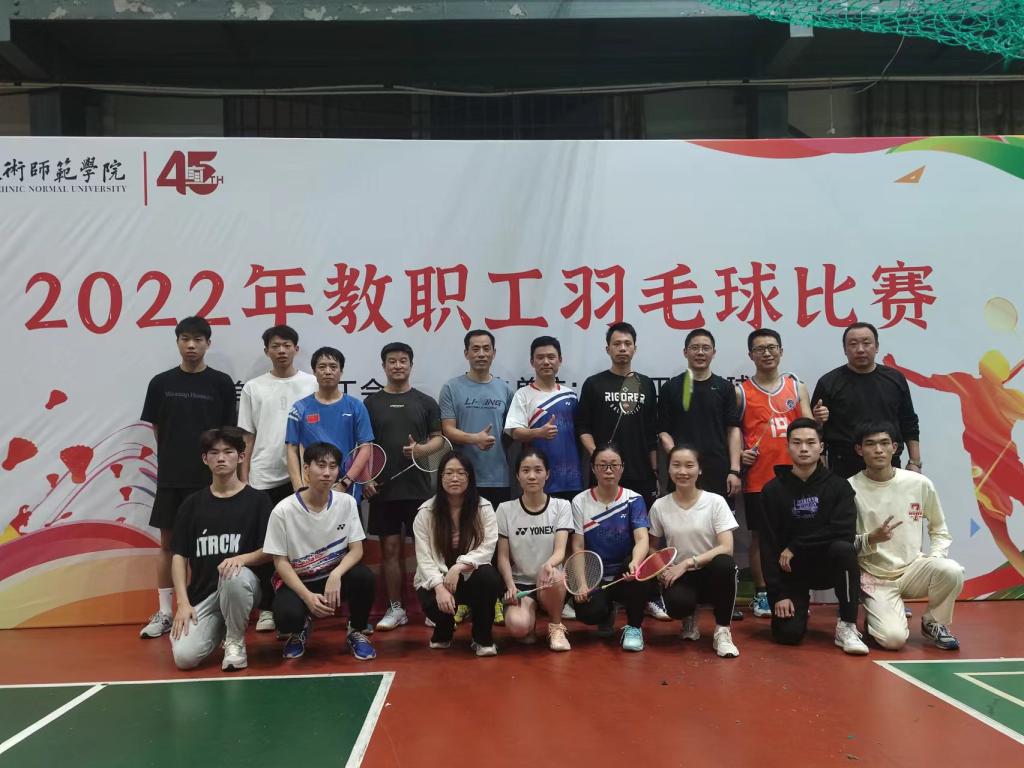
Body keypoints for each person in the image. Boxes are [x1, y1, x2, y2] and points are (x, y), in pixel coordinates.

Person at [139, 316, 237, 639]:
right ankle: (166, 612)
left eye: (198, 339)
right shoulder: (160, 383)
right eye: (185, 339)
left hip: (211, 481)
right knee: (169, 546)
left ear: (208, 343)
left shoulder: (221, 383)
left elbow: (227, 433)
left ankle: (213, 611)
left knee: (211, 546)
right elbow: (158, 429)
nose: (191, 345)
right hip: (171, 478)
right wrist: (174, 457)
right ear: (178, 342)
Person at [850, 422, 963, 650]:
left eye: (884, 443)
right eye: (870, 444)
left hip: (913, 569)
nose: (878, 450)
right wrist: (871, 539)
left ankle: (933, 622)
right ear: (859, 450)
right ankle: (876, 620)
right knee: (893, 640)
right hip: (875, 576)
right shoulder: (849, 488)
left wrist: (936, 558)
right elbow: (843, 544)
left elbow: (939, 529)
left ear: (894, 448)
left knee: (951, 570)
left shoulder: (919, 483)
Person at [759, 419, 868, 654]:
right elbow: (767, 545)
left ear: (821, 447)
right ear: (788, 446)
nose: (804, 448)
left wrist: (796, 546)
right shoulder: (772, 491)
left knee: (844, 549)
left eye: (810, 443)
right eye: (797, 443)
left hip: (828, 566)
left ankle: (847, 625)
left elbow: (844, 532)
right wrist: (778, 595)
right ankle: (797, 608)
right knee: (787, 635)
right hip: (791, 573)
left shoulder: (839, 487)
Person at [262, 442, 377, 661]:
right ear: (306, 469)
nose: (327, 472)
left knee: (364, 578)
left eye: (333, 466)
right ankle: (300, 629)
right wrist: (307, 597)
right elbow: (280, 562)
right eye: (321, 465)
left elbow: (356, 550)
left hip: (334, 579)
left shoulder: (347, 503)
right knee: (286, 617)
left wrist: (336, 574)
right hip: (299, 581)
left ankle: (356, 630)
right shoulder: (283, 510)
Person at [169, 427, 271, 671]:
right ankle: (220, 626)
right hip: (204, 595)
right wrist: (182, 603)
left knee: (232, 575)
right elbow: (179, 556)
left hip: (244, 586)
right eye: (214, 453)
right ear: (205, 459)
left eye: (228, 452)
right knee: (184, 658)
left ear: (241, 457)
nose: (221, 458)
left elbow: (270, 551)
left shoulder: (258, 501)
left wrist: (241, 559)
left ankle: (235, 641)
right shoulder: (191, 505)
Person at [238, 324, 316, 633]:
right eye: (275, 346)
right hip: (263, 477)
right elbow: (247, 436)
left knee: (301, 544)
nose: (281, 350)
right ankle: (268, 608)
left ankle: (303, 604)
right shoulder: (253, 387)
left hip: (302, 478)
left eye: (286, 345)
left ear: (296, 349)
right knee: (267, 546)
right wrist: (244, 479)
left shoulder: (311, 382)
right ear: (267, 351)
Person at [363, 342, 444, 632]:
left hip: (418, 489)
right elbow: (364, 445)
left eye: (403, 361)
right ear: (383, 366)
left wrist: (421, 450)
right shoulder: (370, 403)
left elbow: (439, 439)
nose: (398, 366)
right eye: (392, 361)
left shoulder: (425, 401)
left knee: (425, 550)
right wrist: (366, 478)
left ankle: (431, 607)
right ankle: (396, 608)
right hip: (382, 490)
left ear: (411, 364)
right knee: (390, 549)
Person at [736, 328, 812, 619]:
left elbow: (810, 429)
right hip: (759, 478)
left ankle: (796, 591)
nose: (767, 353)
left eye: (772, 347)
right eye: (760, 349)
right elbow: (733, 432)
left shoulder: (797, 387)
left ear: (781, 351)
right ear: (750, 355)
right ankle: (762, 593)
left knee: (799, 535)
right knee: (760, 537)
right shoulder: (741, 392)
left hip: (797, 477)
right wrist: (740, 456)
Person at [439, 329, 514, 626]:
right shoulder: (451, 387)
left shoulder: (505, 390)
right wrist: (474, 439)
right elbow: (447, 429)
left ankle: (493, 599)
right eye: (475, 349)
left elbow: (511, 432)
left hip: (498, 477)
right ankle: (463, 600)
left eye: (486, 348)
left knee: (491, 544)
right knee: (461, 541)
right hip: (461, 480)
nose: (481, 354)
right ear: (466, 353)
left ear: (494, 353)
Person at [650, 445, 740, 658]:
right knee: (677, 605)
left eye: (689, 465)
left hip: (710, 572)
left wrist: (687, 563)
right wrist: (661, 567)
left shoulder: (715, 502)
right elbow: (651, 546)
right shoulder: (659, 506)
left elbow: (726, 547)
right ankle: (688, 617)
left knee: (725, 564)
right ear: (669, 469)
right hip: (680, 575)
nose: (682, 471)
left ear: (699, 469)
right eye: (676, 465)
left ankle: (722, 631)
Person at [413, 452, 502, 656]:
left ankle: (482, 638)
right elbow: (424, 559)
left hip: (470, 576)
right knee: (432, 596)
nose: (455, 478)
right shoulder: (425, 512)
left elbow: (488, 548)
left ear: (470, 477)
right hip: (438, 579)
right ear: (440, 477)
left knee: (488, 577)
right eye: (449, 473)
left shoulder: (484, 507)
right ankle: (443, 629)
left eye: (461, 473)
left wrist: (458, 567)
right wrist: (439, 588)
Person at [812, 322, 922, 478]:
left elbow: (909, 422)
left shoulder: (895, 379)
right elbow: (817, 432)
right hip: (844, 467)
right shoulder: (829, 383)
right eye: (853, 344)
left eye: (866, 343)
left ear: (876, 347)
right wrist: (821, 473)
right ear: (844, 349)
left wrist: (915, 462)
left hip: (888, 464)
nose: (860, 349)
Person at [570, 444, 650, 652]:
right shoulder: (580, 501)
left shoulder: (634, 499)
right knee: (588, 612)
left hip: (624, 573)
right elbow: (578, 545)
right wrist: (582, 583)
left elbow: (642, 538)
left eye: (614, 465)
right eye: (602, 465)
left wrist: (635, 562)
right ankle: (605, 613)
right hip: (595, 573)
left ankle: (634, 627)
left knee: (639, 571)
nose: (608, 470)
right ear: (593, 468)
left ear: (622, 468)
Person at [496, 450, 573, 652]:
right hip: (521, 583)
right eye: (526, 470)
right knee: (519, 627)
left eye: (538, 470)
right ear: (517, 475)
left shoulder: (561, 506)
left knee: (556, 576)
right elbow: (502, 556)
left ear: (547, 474)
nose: (532, 476)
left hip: (550, 579)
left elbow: (560, 551)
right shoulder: (504, 509)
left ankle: (556, 626)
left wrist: (548, 565)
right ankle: (529, 620)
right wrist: (510, 586)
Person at [577, 322, 659, 508]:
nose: (622, 348)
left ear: (635, 348)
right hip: (605, 472)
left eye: (627, 344)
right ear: (608, 349)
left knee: (641, 523)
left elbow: (651, 431)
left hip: (640, 472)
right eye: (617, 344)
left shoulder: (646, 384)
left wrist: (655, 470)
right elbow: (582, 426)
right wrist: (598, 456)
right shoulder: (593, 384)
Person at [658, 328, 742, 500]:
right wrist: (678, 458)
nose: (700, 352)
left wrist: (734, 470)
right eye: (694, 347)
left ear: (714, 353)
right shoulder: (670, 388)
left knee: (720, 517)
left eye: (706, 348)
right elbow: (663, 431)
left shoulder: (725, 388)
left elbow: (733, 429)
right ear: (685, 352)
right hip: (682, 472)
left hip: (718, 470)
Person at [285, 347, 374, 502]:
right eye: (322, 367)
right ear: (314, 371)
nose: (328, 371)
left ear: (341, 372)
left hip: (347, 490)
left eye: (333, 367)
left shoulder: (356, 406)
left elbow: (365, 447)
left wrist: (345, 482)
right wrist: (298, 488)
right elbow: (291, 449)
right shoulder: (299, 408)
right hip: (310, 491)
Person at [504, 335, 583, 502]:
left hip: (572, 479)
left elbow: (581, 432)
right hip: (538, 480)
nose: (546, 362)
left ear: (560, 360)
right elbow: (515, 432)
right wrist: (538, 433)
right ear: (532, 362)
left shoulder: (570, 395)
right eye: (540, 357)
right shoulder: (523, 395)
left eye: (551, 357)